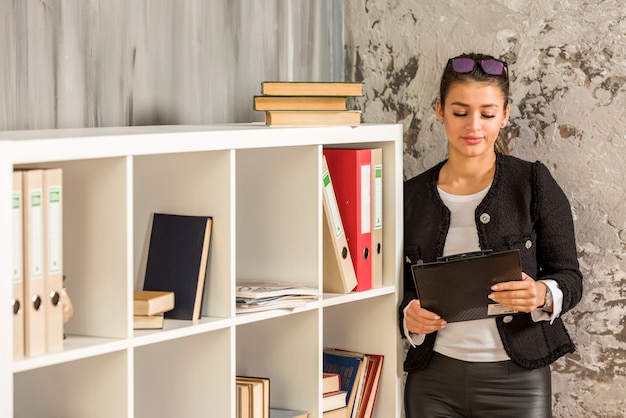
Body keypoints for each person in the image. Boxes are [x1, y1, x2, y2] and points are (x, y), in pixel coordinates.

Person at [400, 52, 583, 417]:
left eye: (487, 113)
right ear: (439, 110)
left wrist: (542, 293)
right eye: (459, 111)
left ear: (505, 114)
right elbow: (399, 286)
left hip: (518, 381)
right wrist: (407, 314)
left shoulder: (533, 183)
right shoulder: (411, 195)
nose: (474, 126)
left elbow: (570, 278)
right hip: (433, 380)